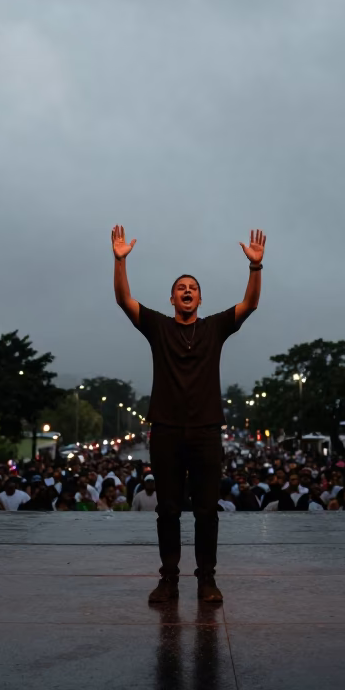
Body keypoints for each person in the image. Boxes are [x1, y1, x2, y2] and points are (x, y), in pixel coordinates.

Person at [112, 224, 265, 605]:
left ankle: (207, 580)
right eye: (181, 287)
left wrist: (255, 269)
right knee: (167, 510)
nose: (187, 291)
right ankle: (168, 580)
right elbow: (124, 300)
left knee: (206, 510)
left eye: (193, 288)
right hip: (164, 429)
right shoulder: (158, 327)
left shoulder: (214, 328)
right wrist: (120, 261)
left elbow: (250, 306)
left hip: (206, 430)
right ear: (171, 298)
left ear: (199, 298)